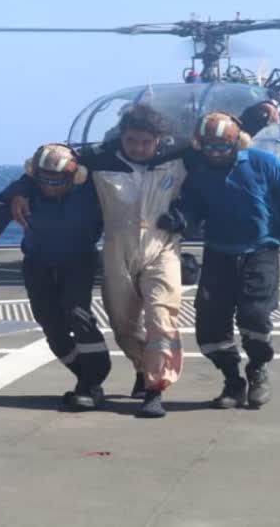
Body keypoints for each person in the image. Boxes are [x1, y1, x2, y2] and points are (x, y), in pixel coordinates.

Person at [10, 103, 186, 418]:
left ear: (158, 139)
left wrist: (184, 216)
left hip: (163, 248)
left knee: (162, 318)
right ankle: (141, 367)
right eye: (132, 140)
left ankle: (154, 389)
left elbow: (220, 153)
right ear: (122, 136)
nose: (139, 148)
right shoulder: (101, 158)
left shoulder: (179, 158)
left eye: (146, 142)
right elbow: (52, 162)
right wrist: (22, 188)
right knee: (123, 326)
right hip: (118, 249)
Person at [171, 111, 280, 409]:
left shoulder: (264, 163)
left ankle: (257, 369)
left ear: (236, 142)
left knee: (255, 317)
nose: (215, 154)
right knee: (208, 327)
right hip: (219, 253)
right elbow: (191, 207)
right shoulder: (199, 171)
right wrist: (179, 220)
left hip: (261, 251)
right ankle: (233, 379)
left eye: (222, 148)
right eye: (209, 148)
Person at [0, 144, 109, 410]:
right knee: (51, 325)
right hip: (38, 263)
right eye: (44, 178)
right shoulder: (25, 189)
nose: (50, 185)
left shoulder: (92, 185)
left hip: (79, 259)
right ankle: (84, 376)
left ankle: (92, 380)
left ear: (76, 175)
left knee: (77, 313)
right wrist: (15, 192)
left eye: (58, 179)